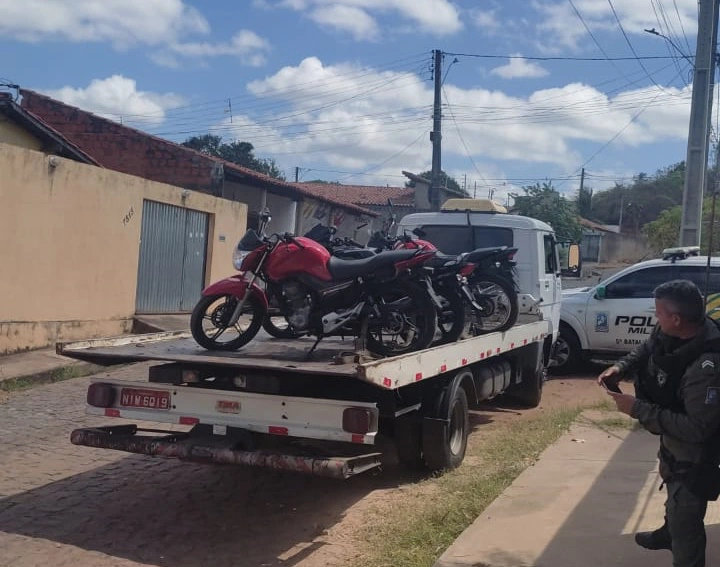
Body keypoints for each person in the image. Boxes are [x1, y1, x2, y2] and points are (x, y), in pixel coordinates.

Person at [598, 280, 720, 567]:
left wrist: (637, 409)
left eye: (659, 313)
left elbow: (697, 429)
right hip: (673, 437)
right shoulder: (670, 331)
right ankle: (669, 532)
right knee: (669, 469)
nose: (656, 318)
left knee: (685, 506)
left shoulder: (707, 368)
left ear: (676, 319)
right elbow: (648, 348)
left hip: (695, 454)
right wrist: (621, 368)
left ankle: (683, 547)